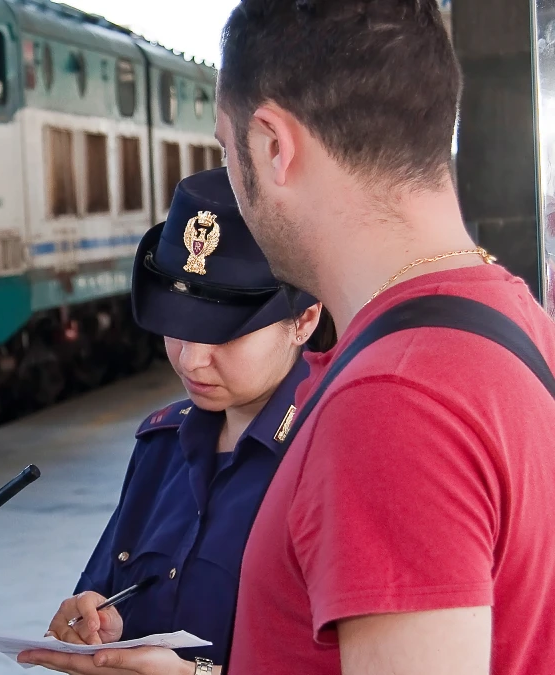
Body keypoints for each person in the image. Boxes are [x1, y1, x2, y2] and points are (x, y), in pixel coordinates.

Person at [213, 1, 555, 673]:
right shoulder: (515, 315)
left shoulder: (392, 403)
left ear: (274, 145)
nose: (229, 177)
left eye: (225, 149)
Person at [18, 167, 332, 675]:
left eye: (224, 334)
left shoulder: (335, 456)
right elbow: (105, 593)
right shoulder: (162, 444)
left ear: (304, 320)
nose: (190, 360)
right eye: (177, 328)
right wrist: (102, 625)